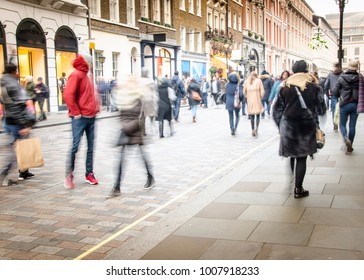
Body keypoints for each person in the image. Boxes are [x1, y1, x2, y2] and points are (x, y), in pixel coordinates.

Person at [273, 60, 326, 199]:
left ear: (293, 71)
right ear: (306, 70)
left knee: (292, 154)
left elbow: (276, 110)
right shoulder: (314, 87)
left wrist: (281, 125)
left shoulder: (284, 86)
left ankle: (292, 180)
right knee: (301, 158)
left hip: (289, 126)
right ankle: (298, 188)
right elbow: (321, 109)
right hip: (306, 126)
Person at [106, 75, 155, 198]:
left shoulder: (139, 97)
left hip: (135, 129)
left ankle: (150, 177)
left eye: (130, 82)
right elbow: (121, 115)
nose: (128, 84)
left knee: (141, 156)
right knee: (121, 159)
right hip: (126, 129)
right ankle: (117, 187)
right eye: (127, 82)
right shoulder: (123, 96)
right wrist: (124, 126)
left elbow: (139, 117)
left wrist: (126, 127)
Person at [63, 53, 100, 189]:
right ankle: (69, 174)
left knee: (91, 147)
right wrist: (76, 112)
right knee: (75, 146)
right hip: (80, 118)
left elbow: (90, 94)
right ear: (87, 63)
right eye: (91, 63)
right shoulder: (77, 74)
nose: (91, 65)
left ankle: (89, 173)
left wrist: (96, 107)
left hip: (91, 117)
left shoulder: (88, 75)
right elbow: (68, 95)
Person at [0, 63, 36, 185]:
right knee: (18, 149)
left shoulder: (3, 83)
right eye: (17, 71)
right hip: (16, 121)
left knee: (18, 146)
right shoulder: (14, 85)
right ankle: (4, 174)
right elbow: (18, 105)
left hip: (8, 120)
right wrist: (26, 124)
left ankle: (24, 171)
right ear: (14, 72)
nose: (18, 73)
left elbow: (4, 103)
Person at [332, 60, 360, 155]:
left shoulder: (342, 77)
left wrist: (341, 94)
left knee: (342, 124)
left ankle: (345, 138)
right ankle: (350, 146)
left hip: (344, 104)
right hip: (355, 104)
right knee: (352, 126)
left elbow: (335, 92)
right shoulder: (360, 77)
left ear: (348, 67)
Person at [243, 71, 264, 136]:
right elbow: (262, 91)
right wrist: (260, 97)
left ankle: (252, 129)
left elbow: (244, 91)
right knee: (258, 115)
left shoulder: (246, 81)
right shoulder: (259, 81)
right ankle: (256, 128)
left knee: (252, 116)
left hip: (250, 100)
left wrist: (247, 96)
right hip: (257, 99)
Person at [324, 63, 343, 132]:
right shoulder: (343, 74)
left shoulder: (330, 74)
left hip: (333, 94)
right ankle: (342, 124)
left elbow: (326, 85)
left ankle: (335, 124)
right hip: (342, 95)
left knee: (334, 109)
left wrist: (327, 93)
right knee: (342, 110)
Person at [139, 68, 157, 136]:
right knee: (151, 115)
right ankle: (152, 128)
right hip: (149, 100)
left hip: (142, 100)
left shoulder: (139, 80)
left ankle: (143, 131)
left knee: (142, 117)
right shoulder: (150, 80)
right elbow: (155, 89)